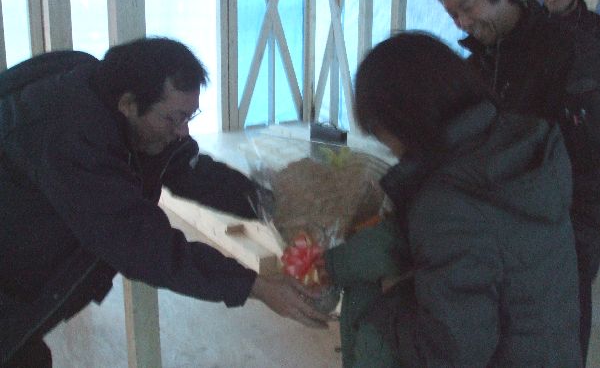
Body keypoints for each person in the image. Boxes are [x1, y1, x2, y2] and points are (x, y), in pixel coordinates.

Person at [0, 37, 329, 367]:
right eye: (174, 118)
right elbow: (141, 243)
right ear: (129, 105)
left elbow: (189, 170)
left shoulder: (110, 94)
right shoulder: (70, 138)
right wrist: (254, 286)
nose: (183, 132)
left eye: (190, 116)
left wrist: (271, 205)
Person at [323, 31, 580, 366]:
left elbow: (449, 351)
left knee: (368, 313)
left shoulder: (447, 203)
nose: (385, 145)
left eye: (378, 129)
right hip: (554, 352)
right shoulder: (516, 149)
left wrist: (387, 302)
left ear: (403, 118)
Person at [427, 0, 600, 363]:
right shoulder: (478, 64)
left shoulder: (569, 53)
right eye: (452, 14)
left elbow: (587, 158)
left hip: (566, 227)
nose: (462, 22)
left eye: (467, 7)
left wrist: (576, 237)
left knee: (555, 335)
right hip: (502, 230)